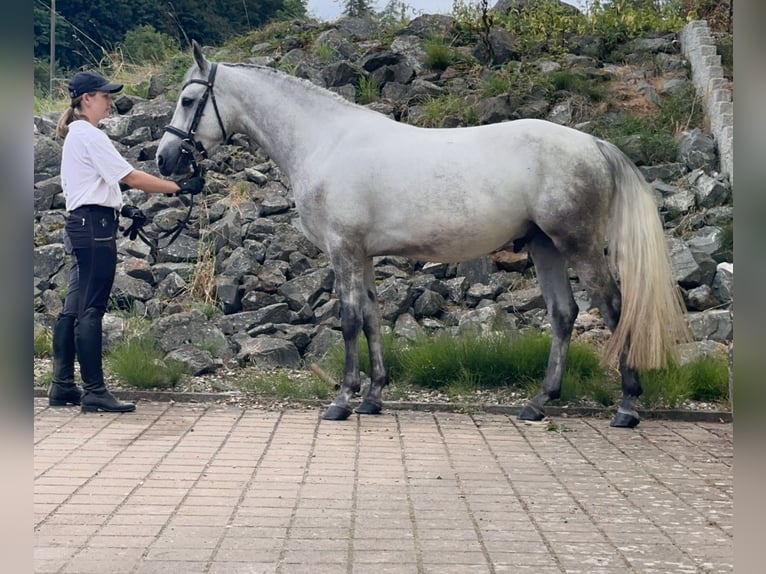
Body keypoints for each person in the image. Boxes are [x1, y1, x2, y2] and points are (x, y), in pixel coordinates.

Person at [50, 70, 205, 413]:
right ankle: (94, 391)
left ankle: (62, 385)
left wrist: (122, 206)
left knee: (73, 307)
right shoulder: (90, 135)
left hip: (83, 224)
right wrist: (181, 187)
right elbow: (130, 176)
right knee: (91, 309)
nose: (110, 102)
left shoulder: (76, 136)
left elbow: (94, 185)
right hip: (95, 230)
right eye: (105, 96)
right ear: (86, 99)